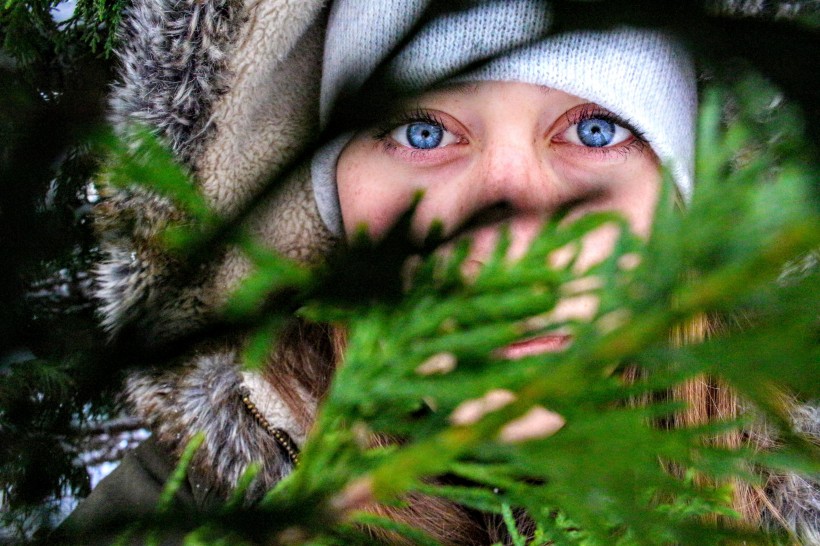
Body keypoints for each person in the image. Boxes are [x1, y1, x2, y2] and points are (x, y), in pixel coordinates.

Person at [62, 0, 817, 544]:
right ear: (325, 201)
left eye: (597, 130)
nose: (512, 238)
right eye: (425, 133)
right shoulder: (180, 512)